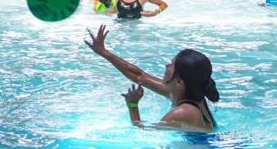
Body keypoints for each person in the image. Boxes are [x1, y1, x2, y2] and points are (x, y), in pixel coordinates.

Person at [85, 25, 219, 132]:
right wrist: (103, 52)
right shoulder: (188, 93)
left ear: (179, 82)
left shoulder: (183, 111)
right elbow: (140, 76)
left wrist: (132, 105)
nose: (166, 66)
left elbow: (143, 131)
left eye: (171, 65)